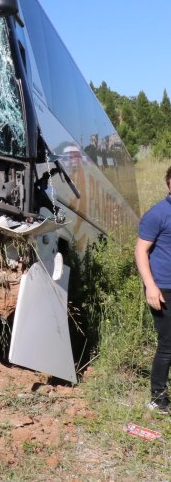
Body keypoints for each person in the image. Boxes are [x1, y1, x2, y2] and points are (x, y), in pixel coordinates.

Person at [136, 165, 171, 413]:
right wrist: (150, 285)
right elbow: (141, 251)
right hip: (164, 289)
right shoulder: (157, 214)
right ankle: (157, 398)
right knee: (168, 344)